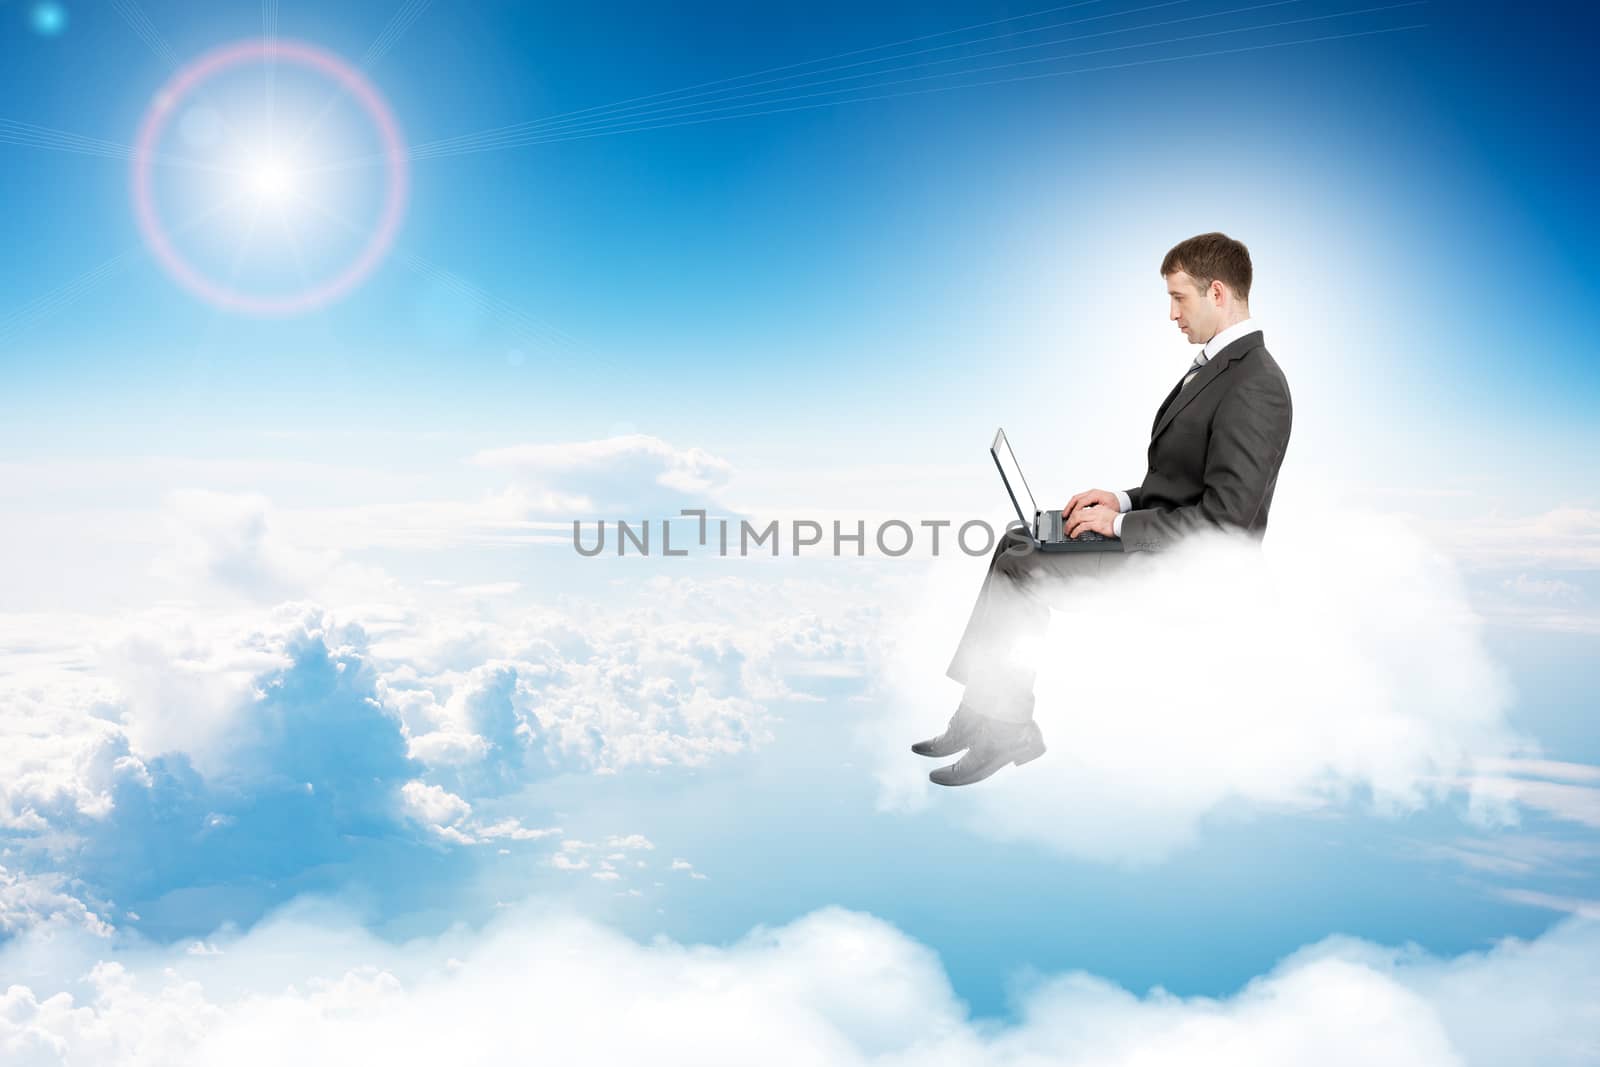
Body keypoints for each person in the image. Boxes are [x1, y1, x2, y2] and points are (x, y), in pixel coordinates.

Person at [912, 232, 1293, 786]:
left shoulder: (1255, 382)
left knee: (1025, 568)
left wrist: (1115, 526)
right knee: (1017, 540)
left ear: (1217, 292)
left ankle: (1008, 728)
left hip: (1189, 571)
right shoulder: (1221, 368)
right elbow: (1184, 482)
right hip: (1162, 540)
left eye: (1178, 298)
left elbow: (1227, 523)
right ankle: (982, 713)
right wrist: (1120, 499)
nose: (1171, 314)